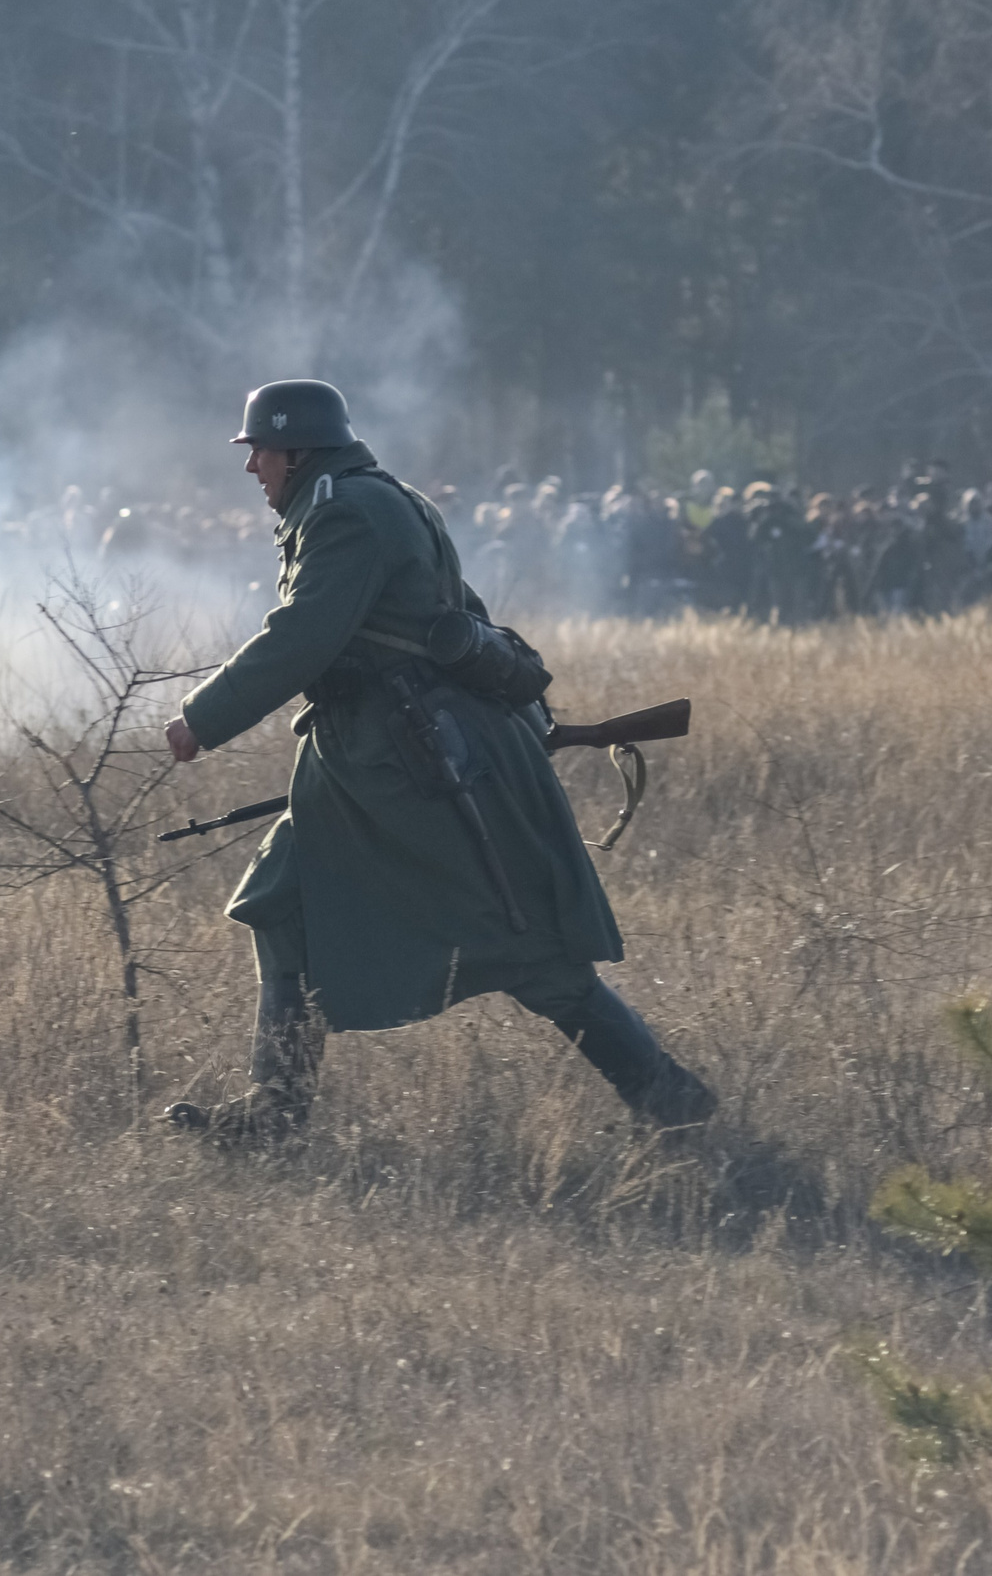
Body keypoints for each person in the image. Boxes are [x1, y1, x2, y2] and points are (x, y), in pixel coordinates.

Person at [161, 380, 718, 1142]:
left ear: (297, 448)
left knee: (524, 946)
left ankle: (668, 1098)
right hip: (380, 758)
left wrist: (202, 717)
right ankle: (274, 1113)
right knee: (282, 901)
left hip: (415, 764)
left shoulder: (347, 512)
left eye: (259, 449)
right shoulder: (373, 499)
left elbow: (302, 635)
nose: (251, 465)